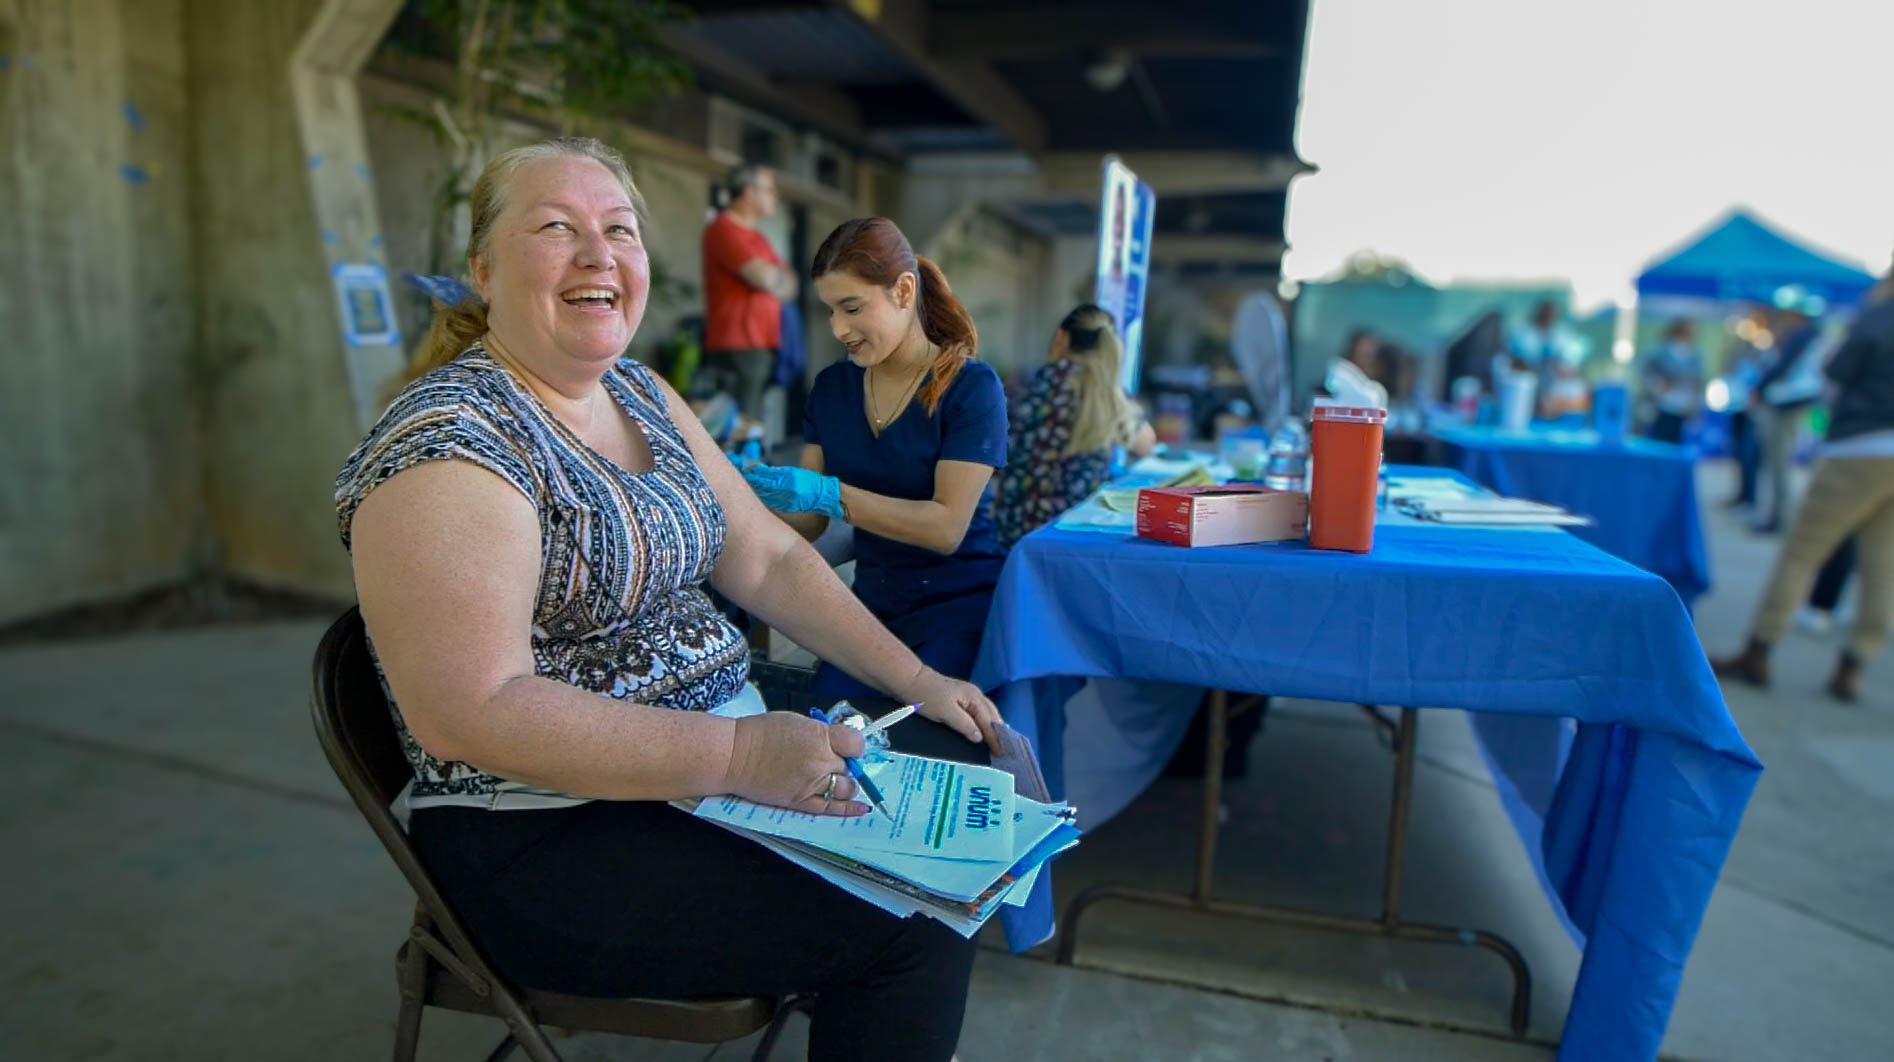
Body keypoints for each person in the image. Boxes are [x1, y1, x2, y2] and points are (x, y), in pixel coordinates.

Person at [336, 138, 1002, 1062]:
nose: (599, 254)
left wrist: (920, 678)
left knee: (963, 758)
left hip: (707, 770)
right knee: (915, 922)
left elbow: (766, 559)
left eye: (619, 229)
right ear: (483, 270)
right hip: (548, 834)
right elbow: (469, 711)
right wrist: (737, 753)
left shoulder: (640, 392)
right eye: (556, 228)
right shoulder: (450, 439)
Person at [738, 217, 1009, 700]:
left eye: (852, 307)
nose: (838, 328)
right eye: (829, 311)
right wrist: (755, 488)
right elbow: (810, 525)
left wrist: (827, 493)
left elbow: (945, 528)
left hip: (960, 607)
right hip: (871, 609)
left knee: (923, 733)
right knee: (832, 729)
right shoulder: (832, 389)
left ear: (904, 291)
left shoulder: (971, 389)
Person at [1712, 282, 1894, 702]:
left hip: (1860, 445)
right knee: (1883, 567)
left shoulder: (1882, 315)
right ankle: (1854, 665)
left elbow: (1838, 370)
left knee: (1802, 551)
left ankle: (1759, 648)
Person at [994, 305, 1156, 548]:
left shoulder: (1024, 383)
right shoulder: (1107, 394)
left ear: (1062, 337)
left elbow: (992, 450)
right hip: (1077, 535)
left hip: (1013, 535)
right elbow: (1146, 445)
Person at [701, 163, 797, 419]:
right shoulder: (724, 229)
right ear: (748, 191)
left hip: (761, 341)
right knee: (741, 427)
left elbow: (791, 284)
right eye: (769, 189)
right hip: (739, 343)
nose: (774, 196)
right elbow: (763, 278)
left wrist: (775, 278)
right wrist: (775, 278)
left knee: (752, 423)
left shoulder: (758, 238)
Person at [1752, 304, 1824, 532]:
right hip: (1796, 402)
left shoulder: (1800, 336)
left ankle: (1780, 517)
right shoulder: (1813, 337)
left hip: (1785, 403)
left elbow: (1781, 367)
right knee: (1782, 463)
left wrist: (1759, 390)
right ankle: (1781, 515)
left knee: (1779, 463)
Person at [1641, 318, 1704, 444]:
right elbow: (1645, 371)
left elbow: (1698, 381)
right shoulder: (1660, 350)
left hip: (1683, 408)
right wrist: (1658, 385)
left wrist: (1695, 406)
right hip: (1663, 406)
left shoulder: (1695, 354)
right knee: (1661, 443)